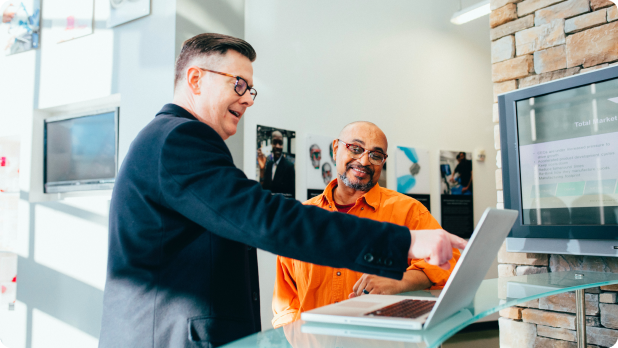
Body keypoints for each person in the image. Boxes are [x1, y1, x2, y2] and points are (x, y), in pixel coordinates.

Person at [99, 33, 466, 348]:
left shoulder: (168, 140)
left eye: (250, 89)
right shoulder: (180, 138)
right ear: (195, 79)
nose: (247, 99)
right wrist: (403, 243)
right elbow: (267, 218)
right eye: (238, 84)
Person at [272, 122, 461, 328]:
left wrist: (400, 281)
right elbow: (286, 301)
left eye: (376, 155)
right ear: (336, 149)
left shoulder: (409, 211)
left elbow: (451, 260)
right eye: (355, 148)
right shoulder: (302, 218)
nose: (364, 161)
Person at [257, 130, 295, 198]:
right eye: (275, 142)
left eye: (280, 143)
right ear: (271, 144)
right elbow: (264, 189)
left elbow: (291, 195)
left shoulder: (289, 167)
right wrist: (262, 170)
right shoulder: (269, 165)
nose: (277, 146)